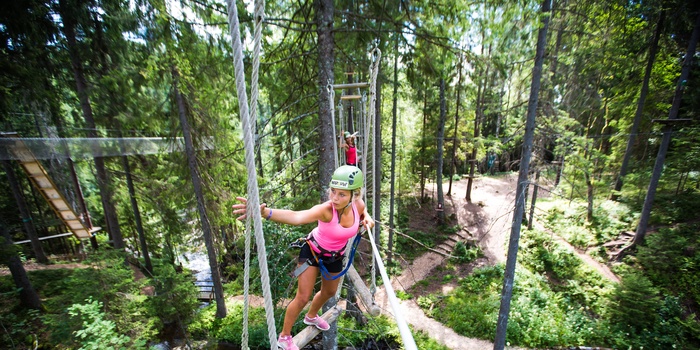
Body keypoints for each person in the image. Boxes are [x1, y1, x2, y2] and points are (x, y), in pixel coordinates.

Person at [232, 165, 374, 350]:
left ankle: (312, 316)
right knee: (303, 296)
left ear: (354, 196)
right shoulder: (326, 210)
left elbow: (363, 213)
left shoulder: (359, 205)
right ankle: (284, 337)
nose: (335, 198)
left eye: (342, 194)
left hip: (335, 256)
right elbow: (297, 216)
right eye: (333, 192)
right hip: (312, 252)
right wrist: (266, 213)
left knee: (329, 292)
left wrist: (368, 219)